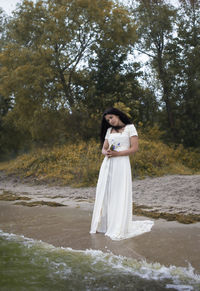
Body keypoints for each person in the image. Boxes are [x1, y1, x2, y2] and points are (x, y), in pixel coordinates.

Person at [90, 107, 154, 240]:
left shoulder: (130, 128)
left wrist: (118, 153)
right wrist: (106, 153)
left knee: (120, 191)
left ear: (118, 115)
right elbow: (103, 148)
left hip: (122, 163)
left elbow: (134, 148)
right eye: (107, 120)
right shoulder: (109, 130)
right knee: (108, 192)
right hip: (108, 164)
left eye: (111, 117)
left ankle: (118, 224)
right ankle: (106, 224)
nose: (110, 121)